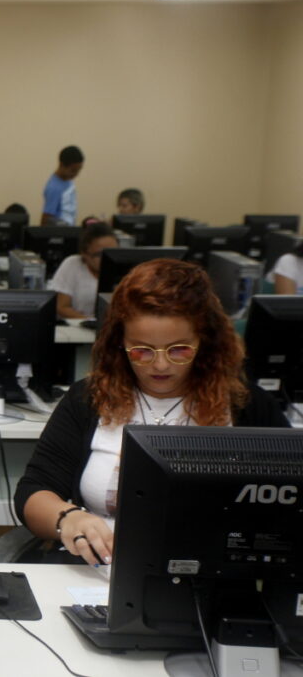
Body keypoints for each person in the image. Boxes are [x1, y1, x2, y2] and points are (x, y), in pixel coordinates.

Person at [15, 259, 289, 567]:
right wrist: (68, 518)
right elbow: (33, 491)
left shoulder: (247, 406)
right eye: (142, 351)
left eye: (179, 350)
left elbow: (288, 503)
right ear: (119, 343)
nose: (160, 365)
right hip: (98, 571)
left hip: (214, 576)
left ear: (205, 341)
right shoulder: (89, 398)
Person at [51, 223, 119, 319]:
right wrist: (89, 322)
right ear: (85, 254)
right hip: (77, 327)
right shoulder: (73, 264)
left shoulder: (123, 270)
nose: (107, 258)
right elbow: (61, 307)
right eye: (100, 254)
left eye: (112, 252)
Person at [41, 145, 84, 226]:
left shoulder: (68, 180)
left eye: (79, 170)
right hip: (60, 233)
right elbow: (47, 217)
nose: (76, 174)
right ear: (61, 165)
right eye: (73, 171)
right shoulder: (53, 187)